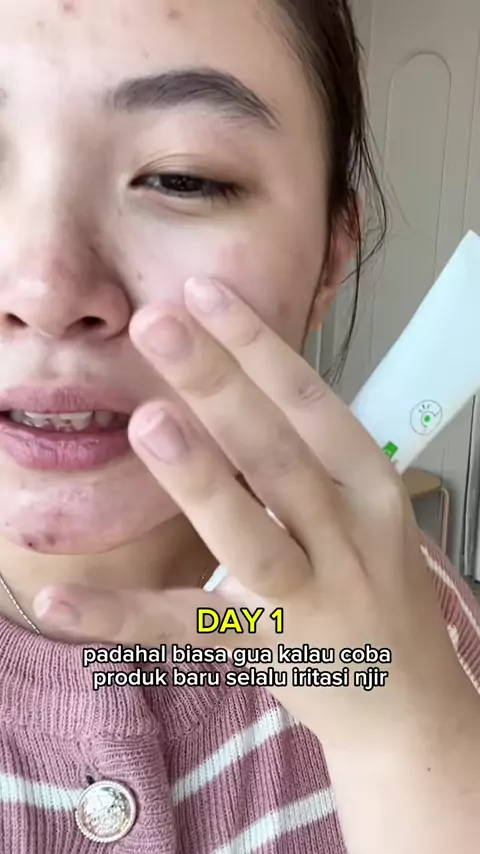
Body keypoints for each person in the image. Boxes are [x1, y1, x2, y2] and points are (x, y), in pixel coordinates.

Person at [0, 1, 479, 851]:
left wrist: (404, 742)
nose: (47, 293)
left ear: (331, 259)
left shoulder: (412, 627)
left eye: (183, 177)